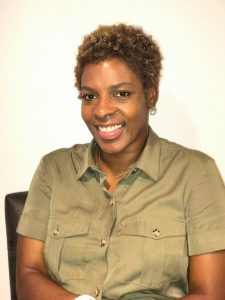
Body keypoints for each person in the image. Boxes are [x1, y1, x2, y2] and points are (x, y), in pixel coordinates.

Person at [16, 24, 225, 300]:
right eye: (89, 96)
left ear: (151, 95)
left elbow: (211, 294)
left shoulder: (196, 173)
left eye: (121, 93)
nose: (102, 110)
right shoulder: (53, 170)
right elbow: (28, 274)